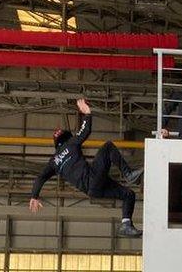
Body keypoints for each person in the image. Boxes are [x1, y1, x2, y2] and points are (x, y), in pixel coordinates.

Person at [29, 98, 143, 237]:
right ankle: (128, 174)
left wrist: (34, 196)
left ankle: (126, 224)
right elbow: (85, 131)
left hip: (92, 191)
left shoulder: (53, 162)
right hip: (93, 178)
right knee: (108, 146)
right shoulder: (70, 144)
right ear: (67, 137)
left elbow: (41, 177)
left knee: (128, 194)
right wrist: (87, 114)